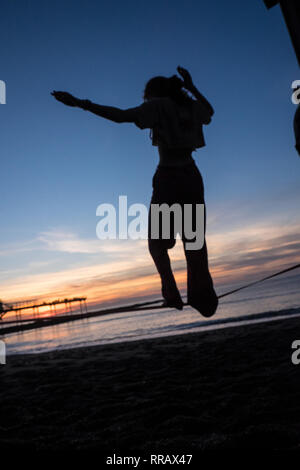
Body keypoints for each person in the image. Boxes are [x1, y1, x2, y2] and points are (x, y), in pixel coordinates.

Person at [51, 66, 218, 317]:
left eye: (145, 96)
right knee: (194, 243)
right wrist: (191, 86)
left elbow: (120, 116)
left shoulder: (158, 105)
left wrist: (81, 104)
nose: (144, 101)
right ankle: (203, 297)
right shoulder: (191, 106)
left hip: (169, 179)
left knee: (158, 245)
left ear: (153, 93)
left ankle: (171, 293)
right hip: (192, 177)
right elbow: (210, 112)